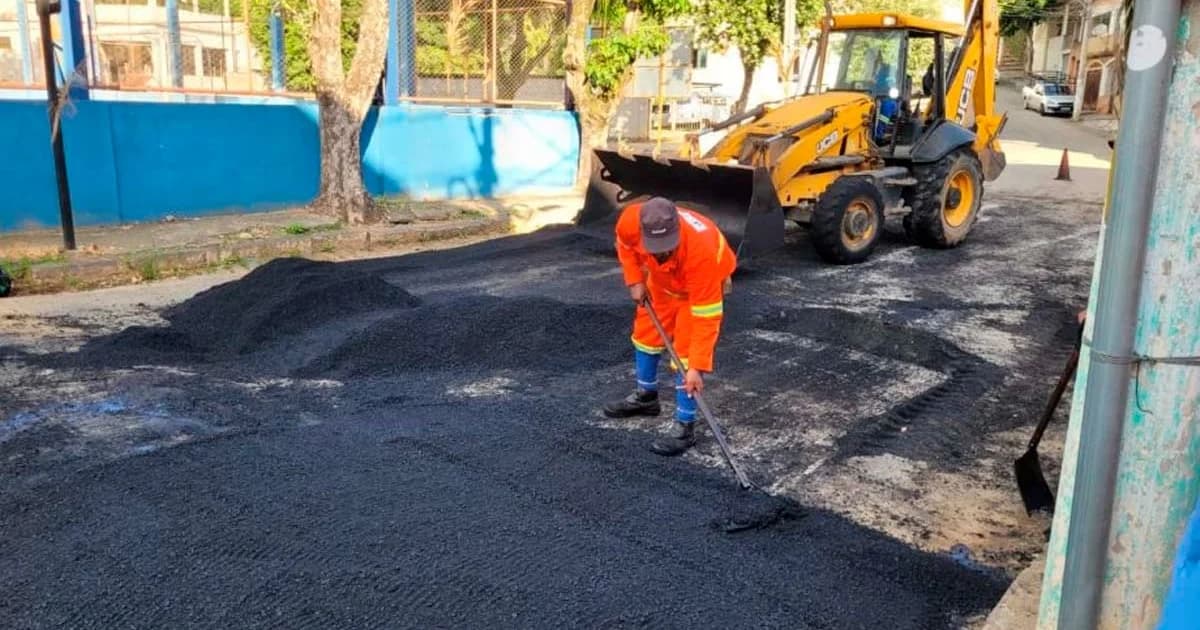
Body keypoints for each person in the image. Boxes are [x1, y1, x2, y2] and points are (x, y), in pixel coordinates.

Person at [601, 197, 737, 456]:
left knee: (685, 354)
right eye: (654, 247)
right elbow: (625, 245)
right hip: (663, 284)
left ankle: (685, 426)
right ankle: (646, 397)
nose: (660, 253)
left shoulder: (702, 253)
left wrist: (696, 367)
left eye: (666, 247)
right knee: (645, 334)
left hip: (695, 290)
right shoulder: (631, 220)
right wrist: (635, 280)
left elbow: (706, 319)